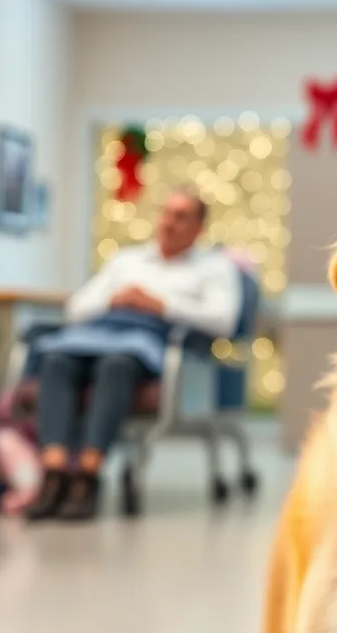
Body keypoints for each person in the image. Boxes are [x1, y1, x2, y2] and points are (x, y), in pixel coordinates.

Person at [25, 189, 241, 522]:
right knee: (56, 361)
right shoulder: (126, 261)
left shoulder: (214, 268)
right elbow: (76, 308)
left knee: (117, 365)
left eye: (181, 217)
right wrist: (114, 299)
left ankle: (88, 475)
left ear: (200, 227)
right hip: (97, 335)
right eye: (166, 213)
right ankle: (54, 474)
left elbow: (223, 320)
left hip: (150, 345)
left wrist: (161, 304)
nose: (169, 223)